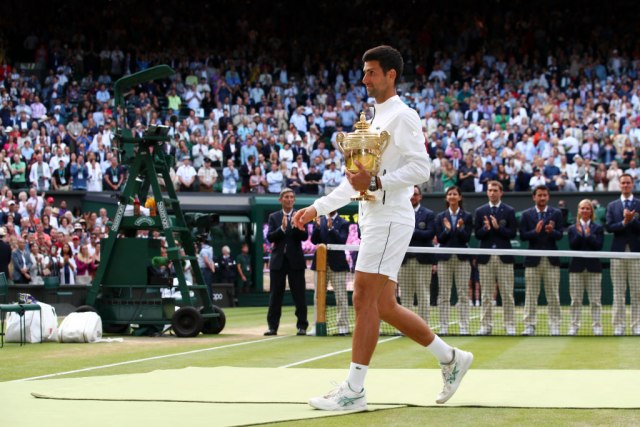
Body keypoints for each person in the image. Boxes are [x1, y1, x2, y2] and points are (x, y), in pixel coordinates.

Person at [293, 46, 472, 410]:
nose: (365, 79)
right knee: (385, 305)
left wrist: (377, 182)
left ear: (391, 75)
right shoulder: (372, 120)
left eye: (372, 72)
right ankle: (451, 357)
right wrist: (317, 207)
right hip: (374, 216)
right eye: (364, 72)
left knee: (362, 298)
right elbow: (355, 182)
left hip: (390, 217)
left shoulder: (403, 116)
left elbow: (421, 169)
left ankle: (354, 390)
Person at [519, 185, 563, 336]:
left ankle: (555, 325)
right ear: (534, 197)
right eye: (539, 195)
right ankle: (529, 325)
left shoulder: (556, 213)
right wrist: (535, 232)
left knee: (553, 295)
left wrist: (552, 232)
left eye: (545, 195)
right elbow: (523, 236)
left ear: (548, 197)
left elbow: (560, 236)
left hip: (551, 260)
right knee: (531, 295)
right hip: (533, 260)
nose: (542, 197)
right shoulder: (526, 214)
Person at [474, 180, 517, 335]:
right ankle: (486, 326)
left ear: (501, 192)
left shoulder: (509, 211)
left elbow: (512, 233)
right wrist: (486, 228)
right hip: (486, 258)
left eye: (495, 190)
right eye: (490, 190)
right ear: (487, 192)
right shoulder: (480, 211)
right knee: (486, 294)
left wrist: (499, 228)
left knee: (507, 293)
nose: (492, 193)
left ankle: (510, 325)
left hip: (504, 257)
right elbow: (477, 234)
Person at [265, 188, 308, 336]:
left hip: (296, 262)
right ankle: (272, 327)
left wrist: (296, 226)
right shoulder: (273, 217)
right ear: (280, 200)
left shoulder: (300, 215)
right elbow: (270, 237)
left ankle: (302, 326)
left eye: (291, 197)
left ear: (294, 200)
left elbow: (304, 237)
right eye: (286, 197)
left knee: (299, 296)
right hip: (278, 263)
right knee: (275, 296)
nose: (289, 199)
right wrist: (282, 229)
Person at [435, 185, 473, 335]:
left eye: (455, 194)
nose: (452, 196)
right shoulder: (440, 217)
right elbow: (441, 238)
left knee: (463, 294)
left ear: (459, 197)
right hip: (444, 259)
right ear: (446, 198)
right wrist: (448, 229)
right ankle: (444, 326)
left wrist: (459, 228)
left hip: (462, 259)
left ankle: (464, 326)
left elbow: (466, 238)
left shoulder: (467, 216)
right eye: (449, 194)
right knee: (444, 294)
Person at [605, 173, 640, 335]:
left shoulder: (639, 204)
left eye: (628, 183)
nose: (625, 185)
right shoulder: (612, 206)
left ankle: (637, 326)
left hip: (636, 252)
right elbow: (610, 227)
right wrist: (625, 221)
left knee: (637, 291)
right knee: (618, 291)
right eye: (623, 183)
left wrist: (632, 220)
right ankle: (618, 325)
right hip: (618, 252)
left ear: (632, 185)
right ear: (619, 185)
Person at [398, 185, 435, 324]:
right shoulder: (399, 212)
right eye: (411, 194)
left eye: (415, 194)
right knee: (405, 295)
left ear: (420, 196)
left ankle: (423, 326)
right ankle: (405, 326)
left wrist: (410, 231)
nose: (413, 197)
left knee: (423, 294)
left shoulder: (429, 214)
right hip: (404, 260)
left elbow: (430, 234)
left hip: (423, 261)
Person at [310, 210, 351, 336]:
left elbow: (342, 240)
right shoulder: (319, 221)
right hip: (320, 263)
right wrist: (317, 228)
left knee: (341, 297)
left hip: (337, 265)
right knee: (318, 296)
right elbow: (314, 240)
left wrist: (331, 228)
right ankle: (317, 325)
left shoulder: (344, 223)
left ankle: (343, 327)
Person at [567, 199, 604, 336]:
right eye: (582, 208)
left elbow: (598, 246)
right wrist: (581, 234)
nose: (585, 211)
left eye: (587, 209)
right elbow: (573, 245)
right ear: (579, 210)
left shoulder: (598, 228)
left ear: (591, 211)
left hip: (593, 268)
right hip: (576, 268)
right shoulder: (572, 228)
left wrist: (588, 235)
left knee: (595, 300)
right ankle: (574, 327)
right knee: (575, 300)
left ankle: (597, 327)